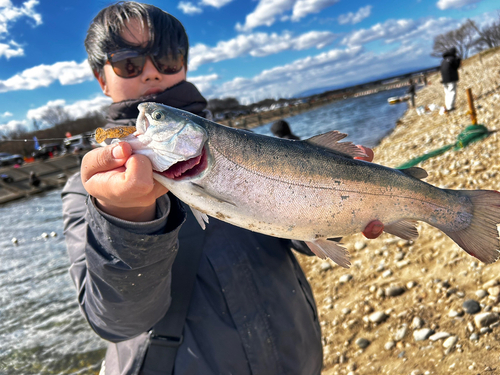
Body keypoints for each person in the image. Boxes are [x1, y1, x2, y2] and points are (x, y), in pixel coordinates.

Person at [61, 3, 383, 374]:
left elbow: (289, 234)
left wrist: (338, 203)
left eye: (165, 57)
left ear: (183, 62)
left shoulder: (245, 143)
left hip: (296, 355)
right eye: (128, 63)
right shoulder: (86, 191)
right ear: (102, 79)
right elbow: (115, 321)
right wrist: (125, 220)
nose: (151, 72)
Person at [440, 47, 461, 112]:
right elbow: (456, 66)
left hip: (444, 79)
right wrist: (458, 60)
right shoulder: (452, 59)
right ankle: (450, 108)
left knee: (447, 93)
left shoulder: (443, 60)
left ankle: (448, 106)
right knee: (452, 92)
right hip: (451, 78)